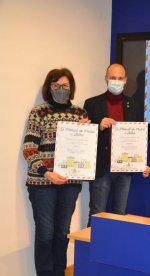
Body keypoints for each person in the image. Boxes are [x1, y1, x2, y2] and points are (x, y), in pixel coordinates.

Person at [23, 68, 89, 276]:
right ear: (49, 88)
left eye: (65, 86)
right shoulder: (38, 112)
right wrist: (46, 172)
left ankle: (59, 273)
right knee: (45, 233)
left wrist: (84, 132)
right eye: (56, 86)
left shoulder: (80, 114)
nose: (61, 89)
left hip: (70, 183)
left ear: (71, 88)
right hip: (42, 183)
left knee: (62, 233)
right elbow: (29, 148)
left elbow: (85, 149)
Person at [84, 63, 150, 225]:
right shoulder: (91, 104)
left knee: (119, 216)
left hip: (124, 169)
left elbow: (137, 138)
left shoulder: (134, 105)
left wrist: (141, 163)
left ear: (126, 80)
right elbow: (83, 138)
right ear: (106, 79)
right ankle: (91, 250)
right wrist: (98, 126)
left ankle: (112, 250)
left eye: (120, 78)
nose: (116, 81)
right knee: (96, 214)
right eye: (113, 78)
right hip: (101, 168)